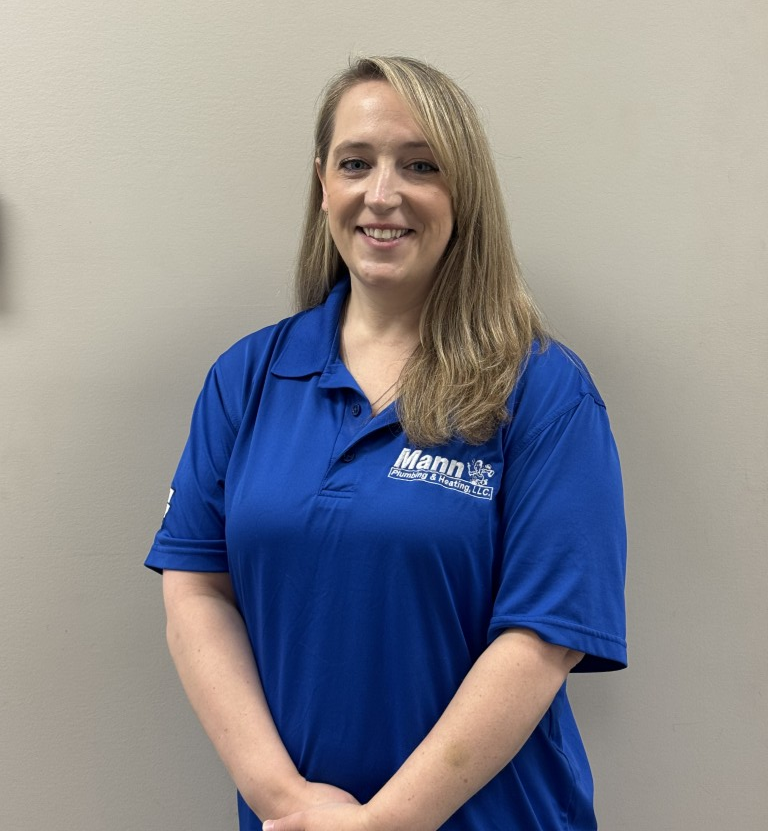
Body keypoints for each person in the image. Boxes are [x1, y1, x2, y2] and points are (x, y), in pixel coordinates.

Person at [145, 56, 627, 831]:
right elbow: (196, 587)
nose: (382, 193)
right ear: (323, 184)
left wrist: (380, 824)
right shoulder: (247, 378)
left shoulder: (542, 391)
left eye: (420, 165)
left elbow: (543, 640)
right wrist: (285, 799)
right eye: (356, 163)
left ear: (462, 191)